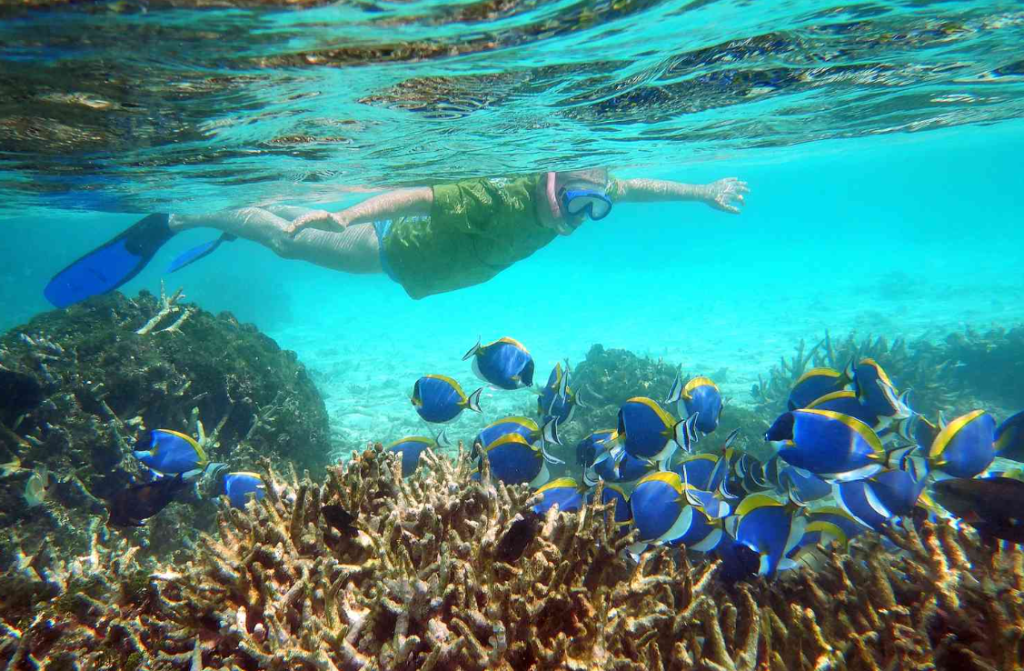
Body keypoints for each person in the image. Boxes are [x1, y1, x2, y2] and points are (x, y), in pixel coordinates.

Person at [44, 169, 748, 306]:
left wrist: (703, 193)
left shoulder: (586, 187)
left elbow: (641, 188)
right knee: (290, 240)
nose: (575, 215)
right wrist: (350, 216)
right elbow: (418, 194)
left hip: (412, 265)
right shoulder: (503, 192)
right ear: (549, 185)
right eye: (572, 201)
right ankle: (187, 217)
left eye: (590, 208)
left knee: (291, 238)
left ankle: (233, 215)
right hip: (388, 248)